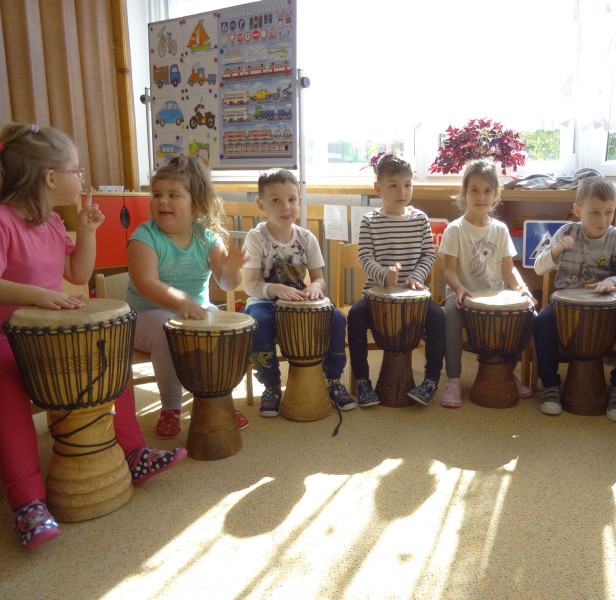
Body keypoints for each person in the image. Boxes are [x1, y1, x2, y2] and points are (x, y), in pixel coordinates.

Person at [0, 123, 186, 551]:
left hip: (47, 340)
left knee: (109, 358)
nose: (82, 177)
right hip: (6, 340)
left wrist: (86, 231)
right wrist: (39, 296)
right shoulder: (4, 222)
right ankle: (28, 502)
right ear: (51, 178)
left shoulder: (51, 222)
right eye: (76, 169)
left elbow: (78, 273)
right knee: (7, 396)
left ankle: (134, 453)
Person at [126, 155, 247, 438]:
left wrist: (232, 271)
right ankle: (171, 407)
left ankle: (217, 398)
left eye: (173, 195)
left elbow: (226, 283)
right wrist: (182, 303)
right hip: (143, 316)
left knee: (224, 333)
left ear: (197, 204)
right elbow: (147, 284)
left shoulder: (207, 237)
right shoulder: (144, 236)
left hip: (194, 311)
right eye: (157, 194)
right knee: (166, 332)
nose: (162, 201)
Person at [241, 169, 354, 416]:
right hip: (263, 302)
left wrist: (314, 287)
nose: (286, 207)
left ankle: (333, 380)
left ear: (299, 202)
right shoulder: (255, 238)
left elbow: (319, 279)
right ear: (261, 204)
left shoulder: (307, 238)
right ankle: (271, 386)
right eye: (276, 200)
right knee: (258, 324)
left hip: (299, 302)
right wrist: (275, 288)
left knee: (336, 319)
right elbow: (249, 284)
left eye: (292, 199)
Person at [532, 176, 616, 421]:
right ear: (577, 210)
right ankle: (550, 385)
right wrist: (556, 250)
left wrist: (611, 281)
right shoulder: (566, 232)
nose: (603, 220)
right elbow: (539, 268)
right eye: (594, 213)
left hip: (609, 306)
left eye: (609, 212)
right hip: (566, 304)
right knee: (541, 323)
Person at [347, 151, 445, 406]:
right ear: (378, 188)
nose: (402, 192)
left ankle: (431, 381)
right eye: (393, 185)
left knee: (438, 318)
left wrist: (415, 276)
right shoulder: (370, 221)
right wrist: (384, 275)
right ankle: (362, 381)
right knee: (355, 316)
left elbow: (428, 254)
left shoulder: (420, 219)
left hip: (415, 296)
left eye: (407, 185)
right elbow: (365, 257)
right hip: (377, 295)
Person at [438, 158, 535, 408]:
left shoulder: (500, 230)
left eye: (487, 191)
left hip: (494, 299)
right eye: (474, 190)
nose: (481, 197)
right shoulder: (455, 230)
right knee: (450, 315)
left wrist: (522, 289)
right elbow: (448, 271)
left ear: (495, 194)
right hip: (462, 296)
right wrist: (459, 288)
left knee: (530, 314)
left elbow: (508, 269)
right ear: (464, 192)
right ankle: (454, 379)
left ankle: (506, 371)